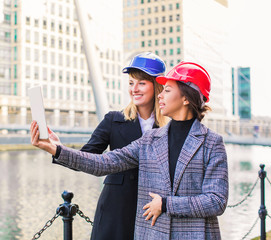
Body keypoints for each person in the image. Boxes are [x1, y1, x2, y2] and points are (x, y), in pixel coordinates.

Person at [30, 61, 229, 239]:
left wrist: (167, 204)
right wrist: (57, 149)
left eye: (167, 90)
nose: (161, 94)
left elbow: (217, 201)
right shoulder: (151, 140)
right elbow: (104, 163)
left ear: (186, 98)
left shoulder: (212, 143)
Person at [49, 52, 168, 240]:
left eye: (141, 83)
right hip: (116, 211)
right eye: (131, 83)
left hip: (153, 213)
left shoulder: (168, 128)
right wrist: (58, 148)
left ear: (157, 86)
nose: (134, 89)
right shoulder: (114, 119)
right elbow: (87, 158)